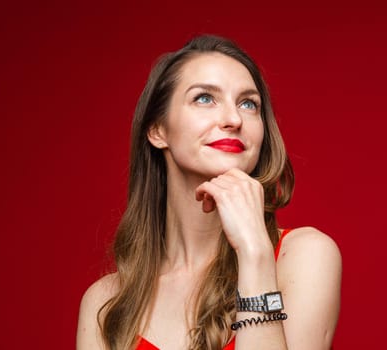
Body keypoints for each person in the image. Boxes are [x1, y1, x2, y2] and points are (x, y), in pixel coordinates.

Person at [76, 35, 342, 350]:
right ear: (158, 130)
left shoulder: (303, 256)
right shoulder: (106, 303)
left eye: (248, 103)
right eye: (204, 98)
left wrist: (255, 255)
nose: (233, 119)